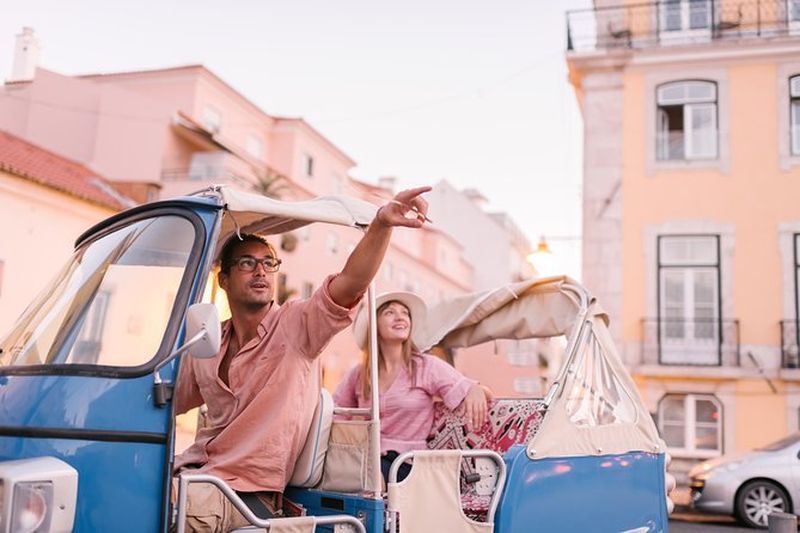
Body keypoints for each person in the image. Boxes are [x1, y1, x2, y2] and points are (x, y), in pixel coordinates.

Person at [173, 187, 431, 532]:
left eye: (268, 263)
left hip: (245, 492)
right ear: (224, 280)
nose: (261, 271)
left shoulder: (296, 326)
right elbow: (166, 401)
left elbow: (350, 284)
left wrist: (382, 224)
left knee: (152, 506)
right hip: (194, 472)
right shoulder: (209, 341)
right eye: (247, 263)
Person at [333, 291, 491, 483]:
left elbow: (474, 391)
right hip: (365, 457)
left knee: (368, 478)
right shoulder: (360, 373)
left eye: (405, 313)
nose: (400, 316)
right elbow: (336, 413)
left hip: (407, 463)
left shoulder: (425, 366)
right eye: (389, 312)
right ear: (374, 325)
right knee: (339, 474)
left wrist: (475, 388)